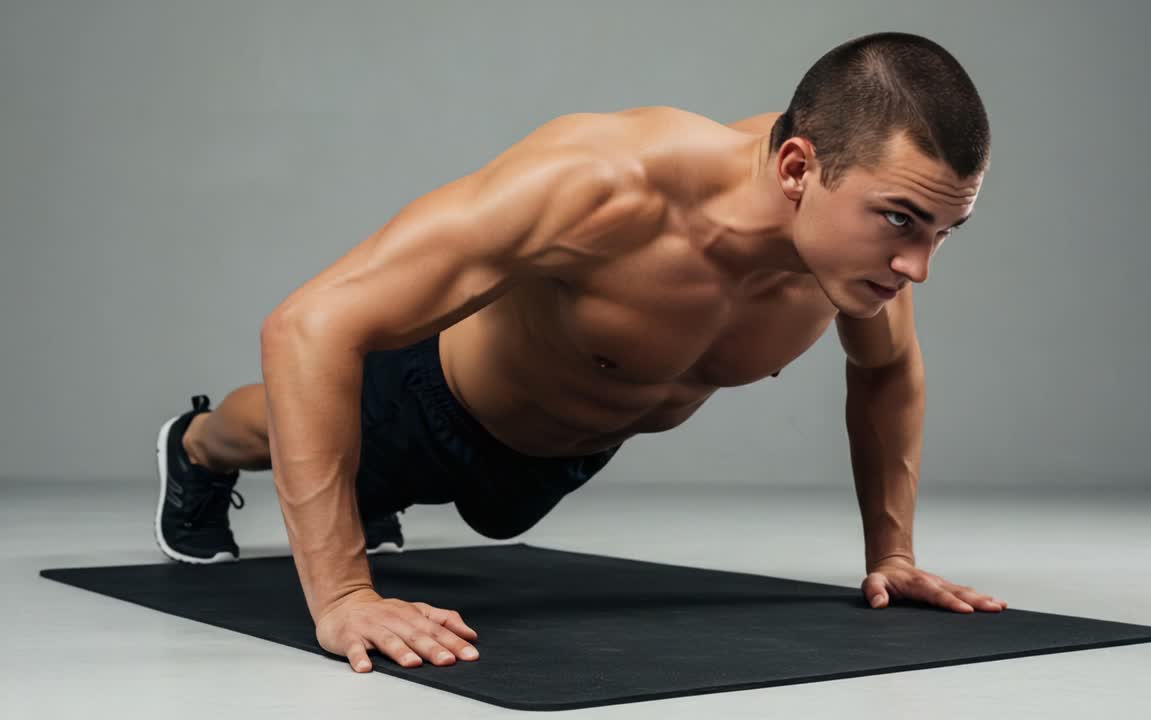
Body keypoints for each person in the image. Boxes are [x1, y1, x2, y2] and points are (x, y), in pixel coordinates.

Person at [153, 31, 1007, 674]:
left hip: (552, 465)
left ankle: (367, 499)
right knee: (265, 427)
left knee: (441, 500)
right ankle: (194, 449)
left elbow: (886, 369)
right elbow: (308, 326)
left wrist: (892, 556)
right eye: (900, 220)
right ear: (796, 167)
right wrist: (341, 597)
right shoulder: (606, 183)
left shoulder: (847, 259)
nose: (918, 266)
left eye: (944, 232)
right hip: (428, 402)